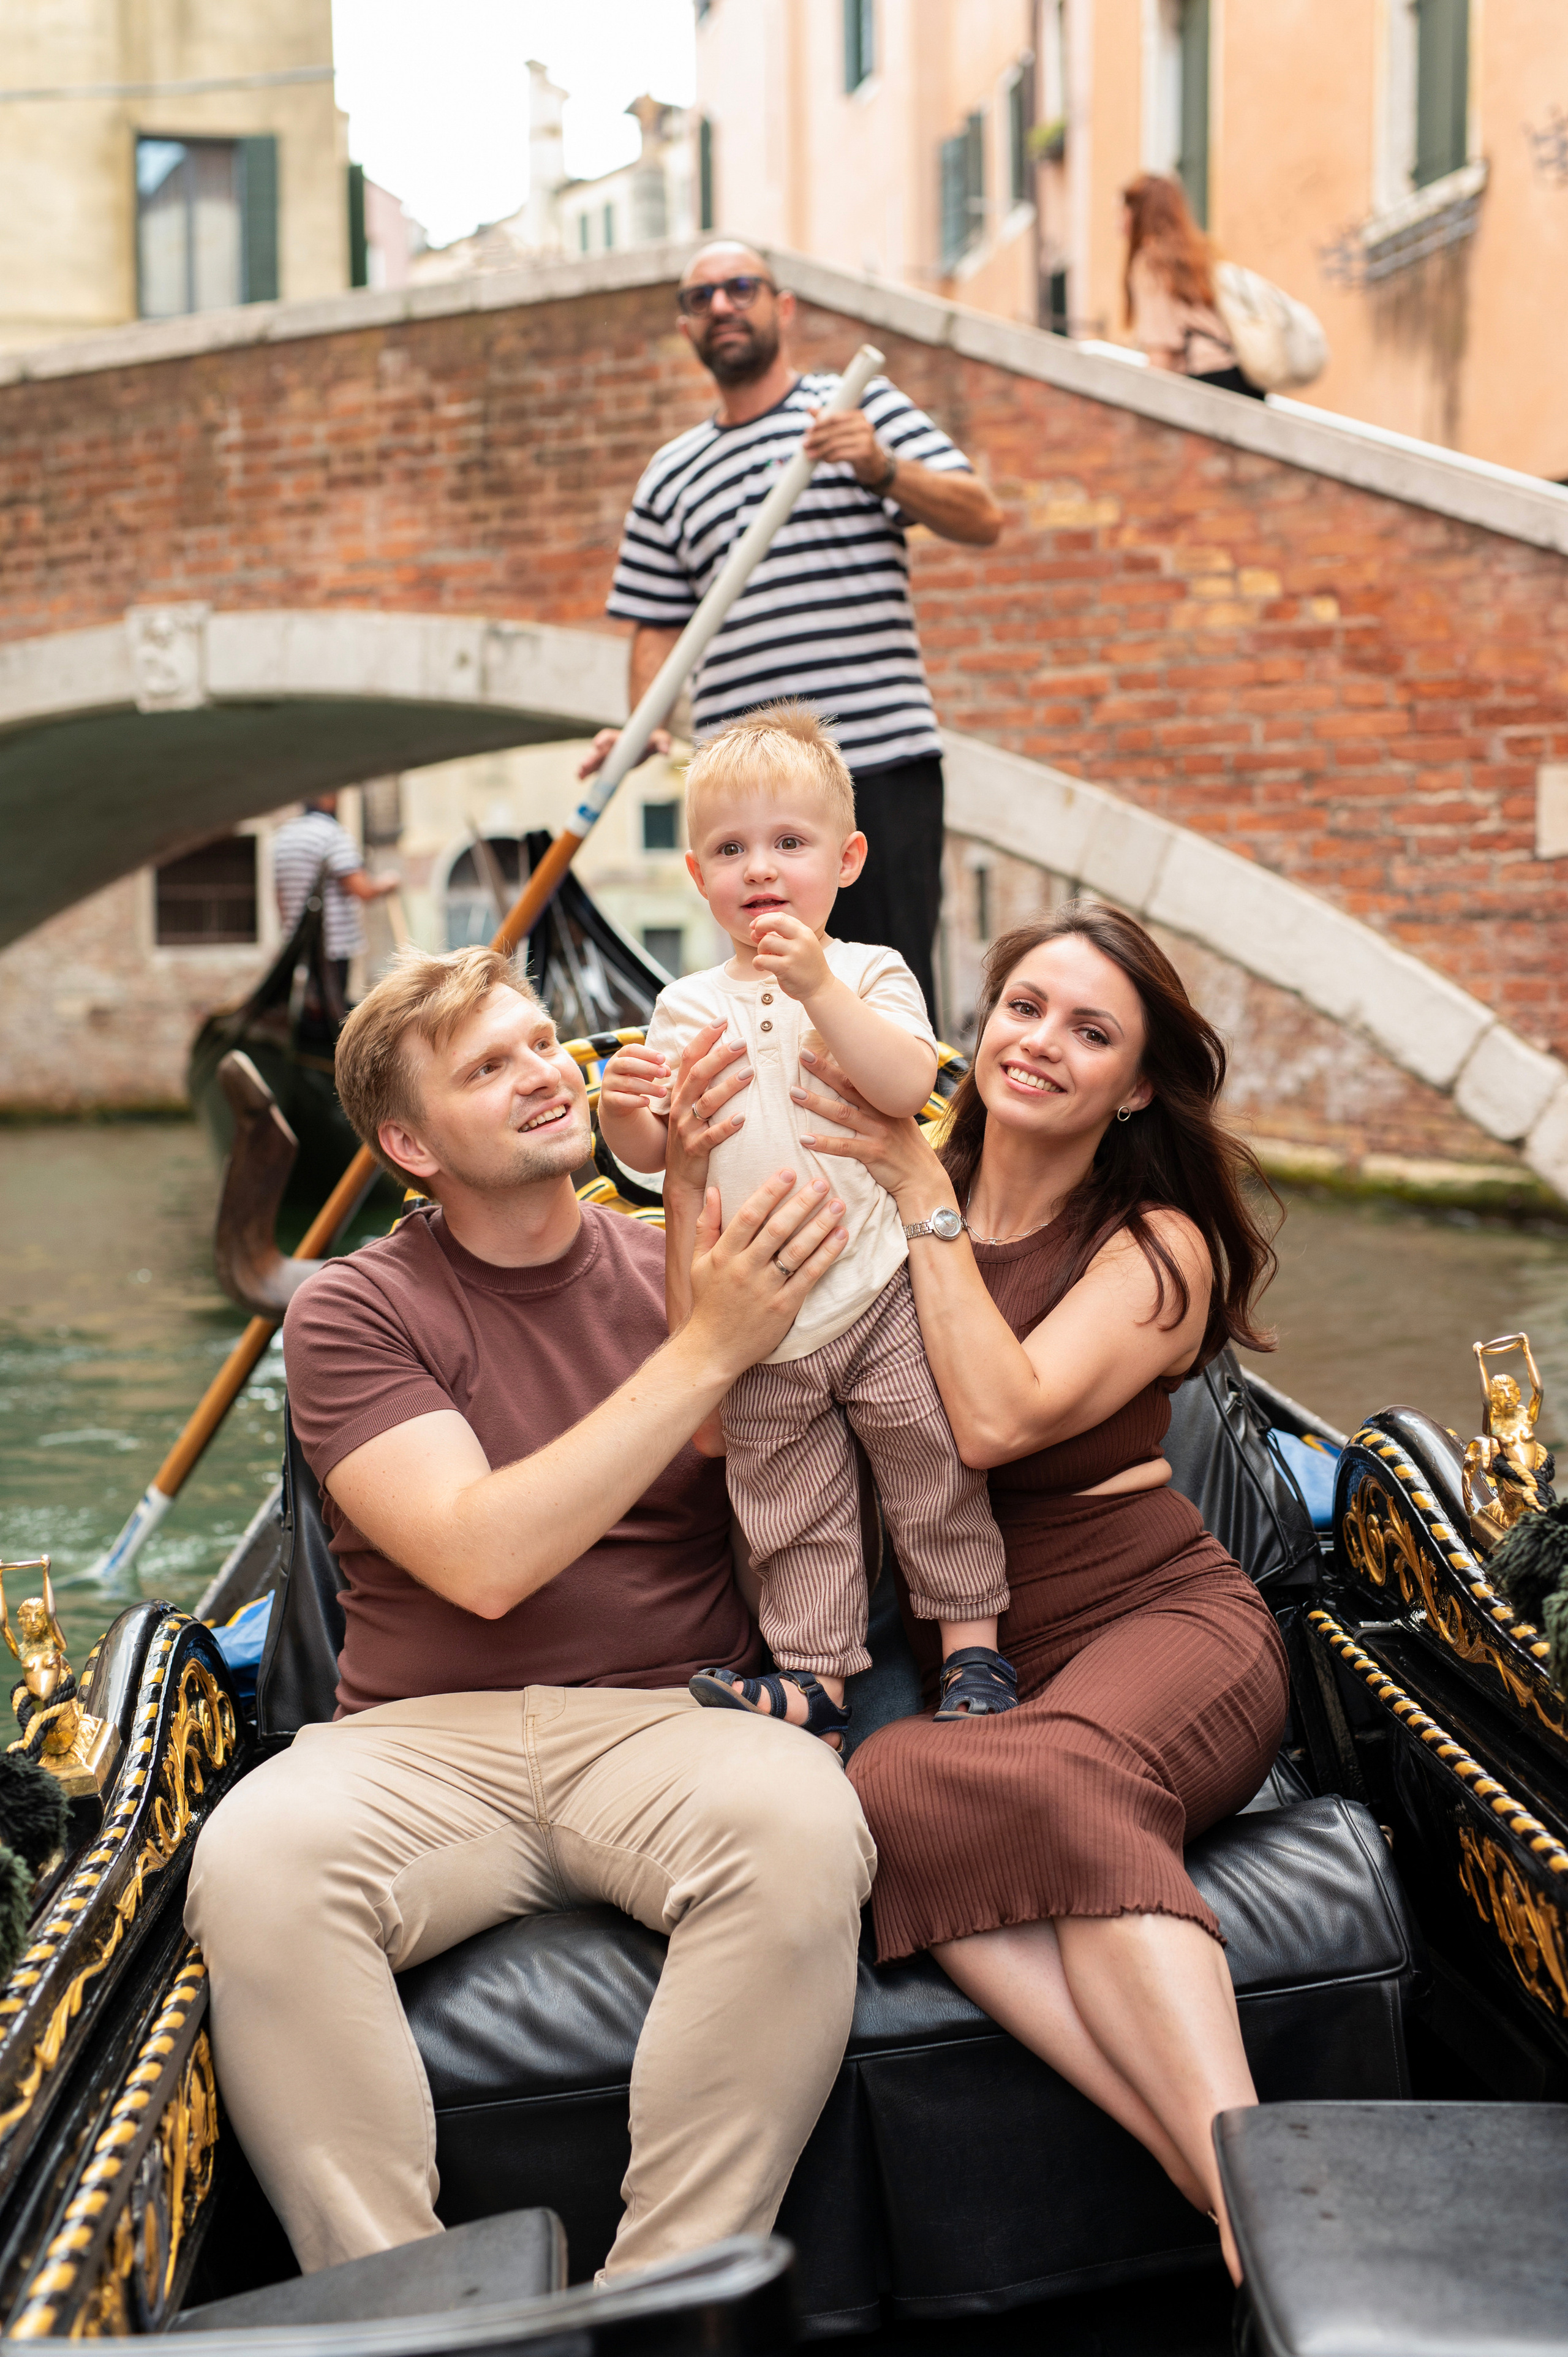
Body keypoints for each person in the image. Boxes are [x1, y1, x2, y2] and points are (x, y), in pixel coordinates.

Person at [184, 944, 876, 2283]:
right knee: (257, 1859)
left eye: (543, 1044)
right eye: (486, 1066)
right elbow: (482, 1557)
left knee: (802, 1825)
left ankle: (657, 2301)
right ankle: (410, 2308)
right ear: (408, 1144)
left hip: (671, 1719)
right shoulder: (353, 1310)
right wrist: (709, 1349)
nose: (544, 1074)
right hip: (418, 1743)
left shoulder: (688, 1263)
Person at [693, 900, 1287, 2282]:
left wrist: (918, 1186)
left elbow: (993, 1420)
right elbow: (740, 1388)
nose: (1041, 1043)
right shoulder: (878, 1173)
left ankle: (1252, 2207)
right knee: (887, 1786)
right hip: (984, 1662)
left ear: (1133, 1085)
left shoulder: (1156, 1246)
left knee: (1066, 1770)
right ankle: (1239, 2200)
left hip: (1159, 1620)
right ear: (983, 1018)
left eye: (1090, 1031)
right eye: (1024, 1007)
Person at [598, 704, 1012, 1745]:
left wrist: (818, 984)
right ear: (698, 875)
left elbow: (908, 1083)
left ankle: (971, 1644)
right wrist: (623, 1112)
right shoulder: (685, 1006)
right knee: (790, 1508)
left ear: (846, 859)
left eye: (789, 842)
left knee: (930, 1462)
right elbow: (653, 1156)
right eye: (731, 849)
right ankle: (815, 1679)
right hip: (760, 1315)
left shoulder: (869, 972)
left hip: (876, 1285)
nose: (761, 869)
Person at [581, 238, 1004, 1023]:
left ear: (781, 307)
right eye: (700, 297)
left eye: (740, 287)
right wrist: (645, 724)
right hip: (744, 792)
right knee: (765, 1001)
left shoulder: (855, 410)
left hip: (874, 760)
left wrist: (880, 466)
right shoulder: (670, 473)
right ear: (685, 327)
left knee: (886, 999)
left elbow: (981, 516)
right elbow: (656, 627)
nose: (720, 305)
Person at [1121, 174, 1263, 399]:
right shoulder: (1199, 254)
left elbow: (1162, 349)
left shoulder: (1151, 263)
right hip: (1239, 377)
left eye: (1124, 210)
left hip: (1204, 382)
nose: (1119, 220)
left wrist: (1145, 402)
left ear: (1138, 213)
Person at [272, 792, 399, 1004]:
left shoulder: (284, 836)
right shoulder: (332, 834)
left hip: (297, 945)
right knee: (334, 1006)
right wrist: (388, 884)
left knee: (309, 1004)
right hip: (333, 945)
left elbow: (279, 896)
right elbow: (362, 890)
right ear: (326, 797)